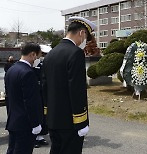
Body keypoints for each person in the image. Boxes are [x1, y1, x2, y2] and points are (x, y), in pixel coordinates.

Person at [42, 16, 96, 154]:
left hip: (53, 119)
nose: (85, 42)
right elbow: (77, 90)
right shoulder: (75, 53)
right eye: (86, 38)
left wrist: (46, 114)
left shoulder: (51, 54)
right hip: (70, 122)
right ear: (82, 33)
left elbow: (44, 87)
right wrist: (81, 122)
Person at [4, 42, 43, 154]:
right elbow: (30, 101)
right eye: (38, 56)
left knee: (12, 150)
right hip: (26, 123)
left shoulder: (11, 69)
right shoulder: (28, 73)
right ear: (33, 55)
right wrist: (35, 123)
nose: (37, 60)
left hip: (13, 120)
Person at [33, 45, 52, 148]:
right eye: (42, 54)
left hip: (43, 94)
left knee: (42, 115)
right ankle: (34, 137)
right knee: (35, 114)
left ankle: (40, 135)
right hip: (34, 94)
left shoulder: (43, 65)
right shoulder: (31, 65)